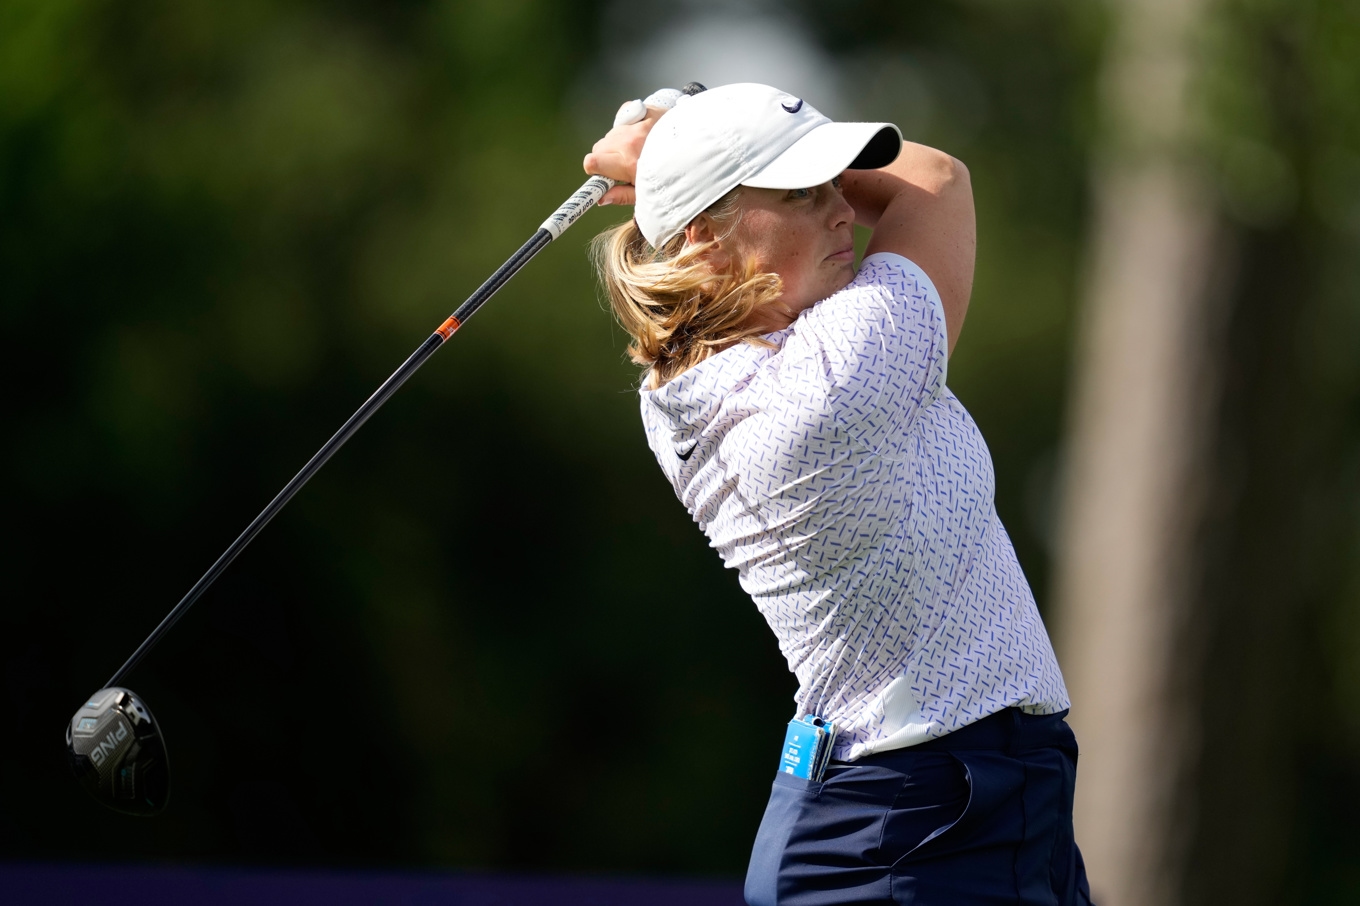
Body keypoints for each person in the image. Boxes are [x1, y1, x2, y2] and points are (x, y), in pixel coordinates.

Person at [585, 82, 1093, 906]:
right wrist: (670, 145)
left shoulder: (681, 382)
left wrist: (687, 158)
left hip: (944, 802)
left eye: (832, 186)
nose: (841, 213)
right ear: (706, 235)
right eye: (799, 193)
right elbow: (935, 179)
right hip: (917, 826)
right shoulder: (840, 374)